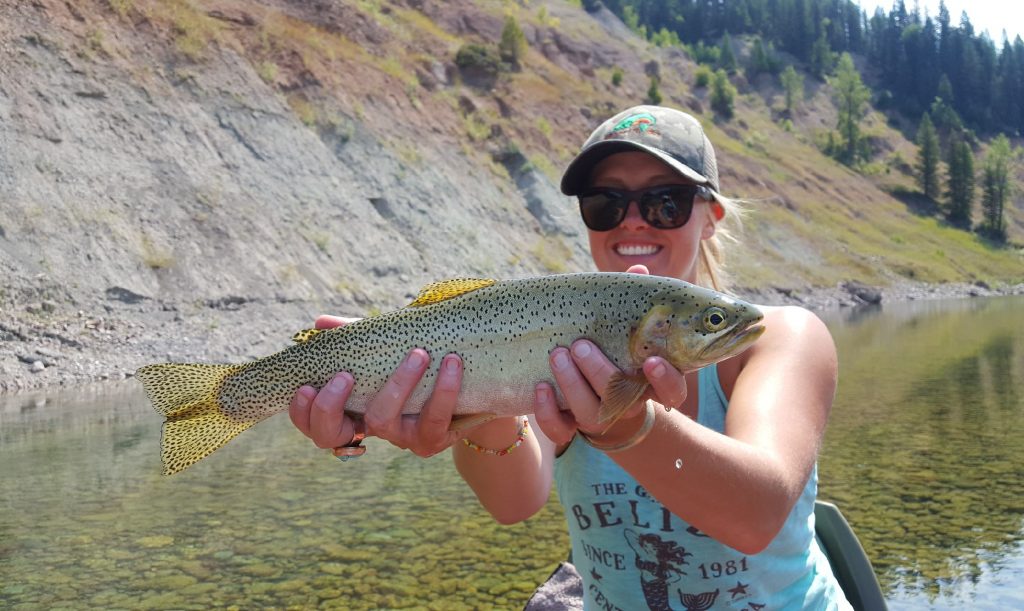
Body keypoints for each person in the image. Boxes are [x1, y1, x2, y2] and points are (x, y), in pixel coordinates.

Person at [288, 105, 850, 609]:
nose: (633, 220)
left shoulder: (780, 335)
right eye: (606, 203)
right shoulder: (561, 332)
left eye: (665, 201)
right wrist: (472, 403)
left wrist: (625, 425)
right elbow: (514, 502)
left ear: (711, 217)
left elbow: (755, 516)